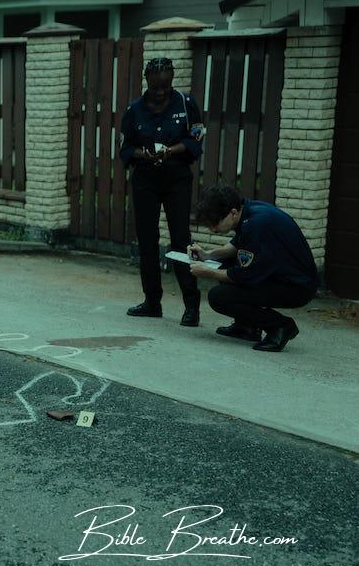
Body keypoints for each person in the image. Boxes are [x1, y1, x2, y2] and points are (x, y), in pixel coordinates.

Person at [119, 57, 204, 326]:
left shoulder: (186, 104)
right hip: (145, 179)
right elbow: (125, 148)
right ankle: (152, 302)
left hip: (177, 178)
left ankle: (191, 306)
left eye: (164, 88)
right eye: (155, 88)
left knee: (181, 240)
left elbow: (196, 139)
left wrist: (172, 151)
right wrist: (142, 154)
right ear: (146, 81)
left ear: (171, 82)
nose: (160, 93)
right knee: (147, 240)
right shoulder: (133, 110)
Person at [188, 184, 319, 352]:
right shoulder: (250, 210)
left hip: (297, 287)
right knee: (225, 263)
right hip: (282, 276)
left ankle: (280, 326)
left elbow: (242, 275)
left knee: (218, 297)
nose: (213, 229)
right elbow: (238, 246)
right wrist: (207, 255)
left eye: (215, 223)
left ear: (233, 213)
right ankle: (246, 326)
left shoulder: (257, 223)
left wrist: (209, 273)